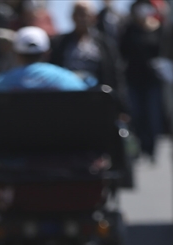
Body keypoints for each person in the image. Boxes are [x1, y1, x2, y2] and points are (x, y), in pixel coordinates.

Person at [0, 26, 87, 117]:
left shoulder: (2, 81)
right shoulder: (67, 78)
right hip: (61, 147)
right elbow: (88, 102)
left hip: (11, 148)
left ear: (16, 53)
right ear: (47, 53)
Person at [50, 1, 126, 108]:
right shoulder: (59, 43)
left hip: (97, 100)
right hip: (67, 99)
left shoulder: (105, 44)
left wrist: (121, 105)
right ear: (72, 16)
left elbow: (115, 74)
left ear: (93, 17)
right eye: (78, 13)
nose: (82, 18)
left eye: (85, 14)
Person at [119, 0, 166, 161]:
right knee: (136, 115)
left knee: (153, 116)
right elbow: (121, 53)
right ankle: (138, 147)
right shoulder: (129, 29)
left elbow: (164, 53)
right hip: (133, 80)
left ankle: (151, 149)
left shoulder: (159, 29)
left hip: (153, 81)